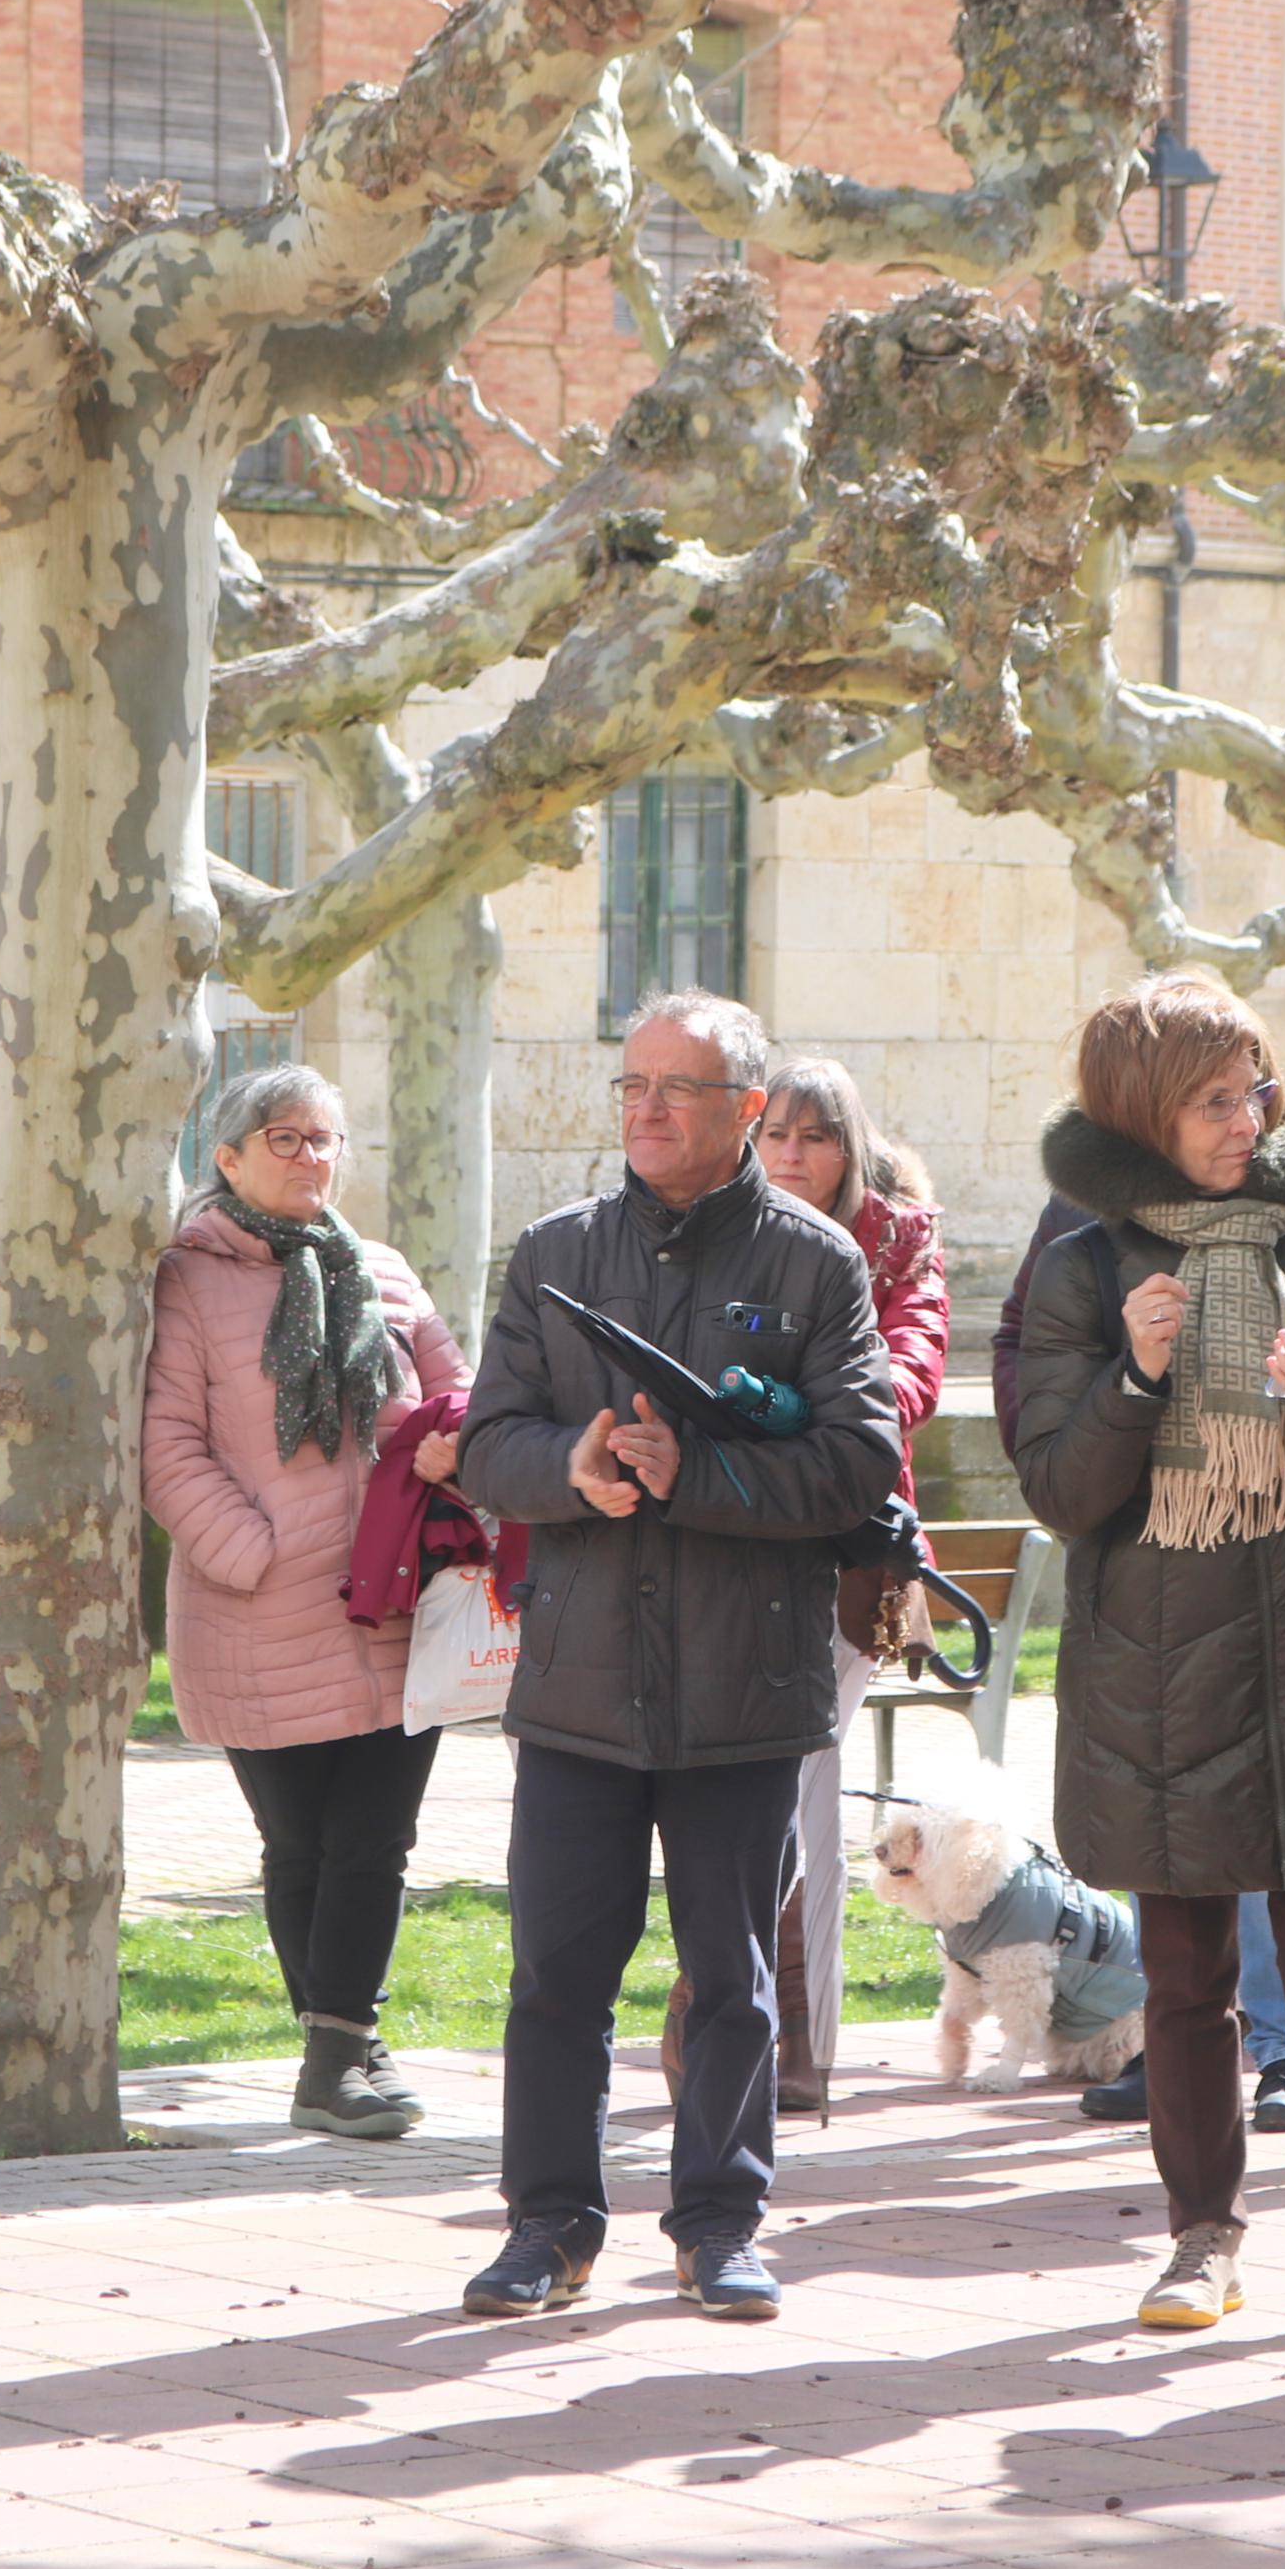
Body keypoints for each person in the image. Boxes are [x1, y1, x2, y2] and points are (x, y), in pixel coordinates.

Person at [454, 991, 903, 2322]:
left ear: (745, 1112)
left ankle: (717, 2224)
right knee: (553, 1977)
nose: (644, 1109)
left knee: (729, 1976)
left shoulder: (816, 1265)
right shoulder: (549, 1254)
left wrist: (692, 1471)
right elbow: (486, 1444)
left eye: (676, 1089)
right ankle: (546, 2224)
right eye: (629, 1085)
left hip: (744, 1688)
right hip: (580, 1686)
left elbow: (861, 1461)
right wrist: (572, 1466)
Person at [1008, 973, 1285, 2342]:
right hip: (1158, 1671)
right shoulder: (1079, 1260)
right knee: (1184, 1979)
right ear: (1143, 1111)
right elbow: (1059, 1490)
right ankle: (1199, 2235)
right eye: (1212, 1098)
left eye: (1254, 1088)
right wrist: (1131, 1381)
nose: (1246, 1117)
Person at [145, 1061, 471, 2139]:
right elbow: (166, 1445)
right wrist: (251, 1549)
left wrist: (454, 1453)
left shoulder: (379, 1270)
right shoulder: (186, 1281)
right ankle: (340, 2050)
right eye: (281, 1139)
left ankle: (338, 2051)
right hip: (258, 1610)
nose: (307, 1158)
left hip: (387, 1602)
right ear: (226, 1157)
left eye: (322, 1139)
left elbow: (456, 1393)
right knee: (299, 1844)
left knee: (377, 1839)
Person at [989, 1213, 1285, 2139]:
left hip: (1270, 1550)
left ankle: (1281, 2049)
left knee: (1260, 1817)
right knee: (1158, 1816)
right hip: (1139, 1555)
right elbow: (1020, 1339)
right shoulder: (1080, 1222)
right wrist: (1075, 1420)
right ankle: (1170, 2045)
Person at [711, 1054, 947, 2115]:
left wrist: (802, 1400)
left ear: (851, 1151)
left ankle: (796, 2049)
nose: (793, 1156)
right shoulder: (715, 1232)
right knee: (722, 1800)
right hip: (718, 1550)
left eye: (817, 1138)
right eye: (777, 1137)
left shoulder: (894, 1242)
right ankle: (721, 2012)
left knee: (802, 1791)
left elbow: (913, 1374)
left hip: (849, 1563)